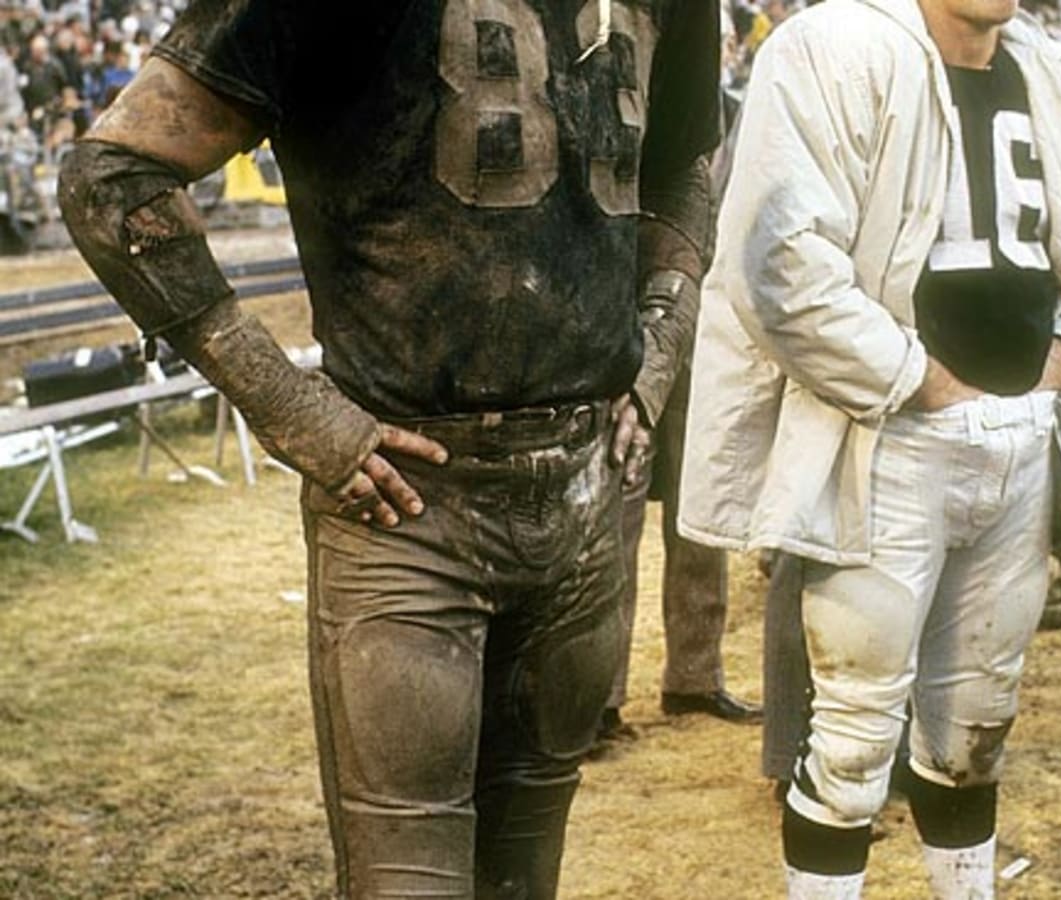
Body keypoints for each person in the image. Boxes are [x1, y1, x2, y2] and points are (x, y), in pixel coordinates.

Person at [57, 2, 720, 897]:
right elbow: (114, 173)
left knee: (525, 874)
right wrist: (291, 405)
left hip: (579, 494)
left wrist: (660, 343)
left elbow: (681, 163)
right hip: (407, 508)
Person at [678, 0, 1061, 896]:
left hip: (1018, 440)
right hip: (883, 442)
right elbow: (780, 261)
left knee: (975, 736)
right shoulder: (833, 47)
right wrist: (919, 380)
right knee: (850, 748)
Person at [598, 353, 762, 749]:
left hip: (703, 343)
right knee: (617, 523)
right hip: (633, 342)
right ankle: (600, 700)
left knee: (703, 511)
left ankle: (696, 679)